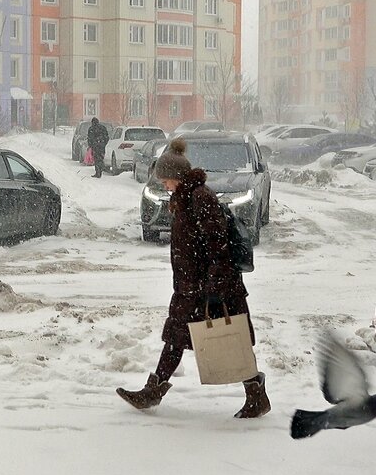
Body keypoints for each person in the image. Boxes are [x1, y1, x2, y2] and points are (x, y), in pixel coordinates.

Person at [116, 137, 270, 418]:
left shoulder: (201, 198)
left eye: (165, 180)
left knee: (232, 340)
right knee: (175, 338)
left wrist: (213, 288)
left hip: (211, 287)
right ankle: (153, 391)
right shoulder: (186, 197)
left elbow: (217, 244)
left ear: (177, 176)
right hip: (192, 286)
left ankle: (256, 395)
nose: (164, 185)